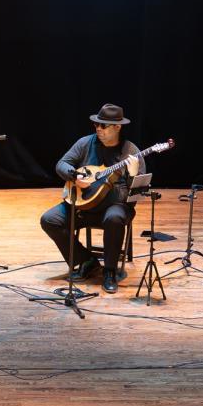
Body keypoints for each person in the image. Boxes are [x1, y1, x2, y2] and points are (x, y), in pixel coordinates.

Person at [40, 103, 143, 294]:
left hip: (115, 207)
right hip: (84, 205)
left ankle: (110, 271)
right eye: (96, 125)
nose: (98, 129)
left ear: (117, 127)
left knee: (113, 218)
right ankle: (86, 260)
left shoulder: (131, 152)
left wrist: (133, 174)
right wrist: (74, 176)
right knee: (49, 219)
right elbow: (61, 164)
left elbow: (138, 195)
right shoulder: (85, 143)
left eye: (103, 126)